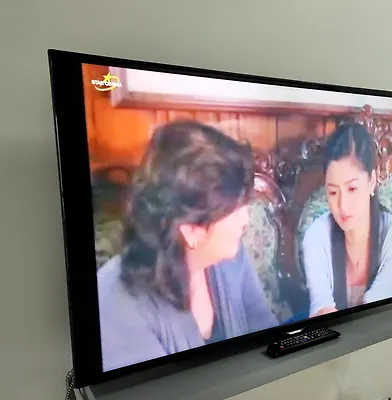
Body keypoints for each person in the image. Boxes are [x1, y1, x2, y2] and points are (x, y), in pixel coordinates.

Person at [98, 120, 278, 372]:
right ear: (190, 229)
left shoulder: (229, 255)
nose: (246, 218)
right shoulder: (116, 306)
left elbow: (266, 333)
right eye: (235, 208)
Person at [302, 122, 392, 317]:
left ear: (372, 181)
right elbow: (320, 304)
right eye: (333, 192)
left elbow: (378, 302)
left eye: (352, 189)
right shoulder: (316, 237)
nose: (342, 205)